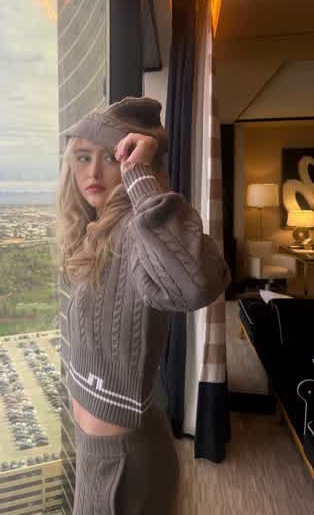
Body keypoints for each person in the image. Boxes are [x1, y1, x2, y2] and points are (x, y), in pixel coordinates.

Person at [56, 96, 232, 514]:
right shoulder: (94, 232)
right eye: (83, 157)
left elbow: (197, 285)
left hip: (124, 463)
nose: (92, 173)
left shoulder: (140, 230)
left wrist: (140, 176)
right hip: (96, 452)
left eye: (112, 157)